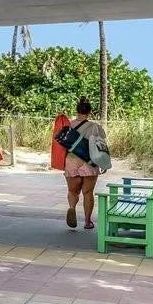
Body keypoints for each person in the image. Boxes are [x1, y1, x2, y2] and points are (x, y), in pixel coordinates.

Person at [57, 96, 109, 230]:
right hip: (89, 162)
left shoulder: (69, 126)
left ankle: (72, 208)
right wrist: (104, 163)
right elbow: (102, 146)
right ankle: (87, 221)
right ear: (89, 112)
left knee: (72, 191)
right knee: (88, 192)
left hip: (71, 161)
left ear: (77, 111)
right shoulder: (95, 127)